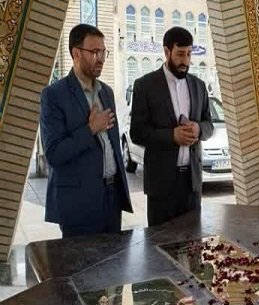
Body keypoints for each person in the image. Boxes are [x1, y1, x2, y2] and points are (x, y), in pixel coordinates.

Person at [40, 24, 133, 237]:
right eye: (94, 52)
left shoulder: (106, 92)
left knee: (113, 257)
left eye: (103, 52)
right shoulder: (54, 95)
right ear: (76, 53)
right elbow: (54, 154)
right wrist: (90, 129)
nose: (100, 58)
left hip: (112, 199)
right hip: (78, 204)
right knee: (82, 259)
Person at [130, 27, 213, 227]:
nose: (186, 61)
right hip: (161, 186)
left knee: (193, 240)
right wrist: (172, 136)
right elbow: (137, 133)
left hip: (191, 184)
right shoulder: (145, 86)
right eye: (180, 54)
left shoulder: (199, 86)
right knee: (160, 243)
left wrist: (198, 129)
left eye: (189, 54)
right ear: (167, 52)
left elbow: (209, 125)